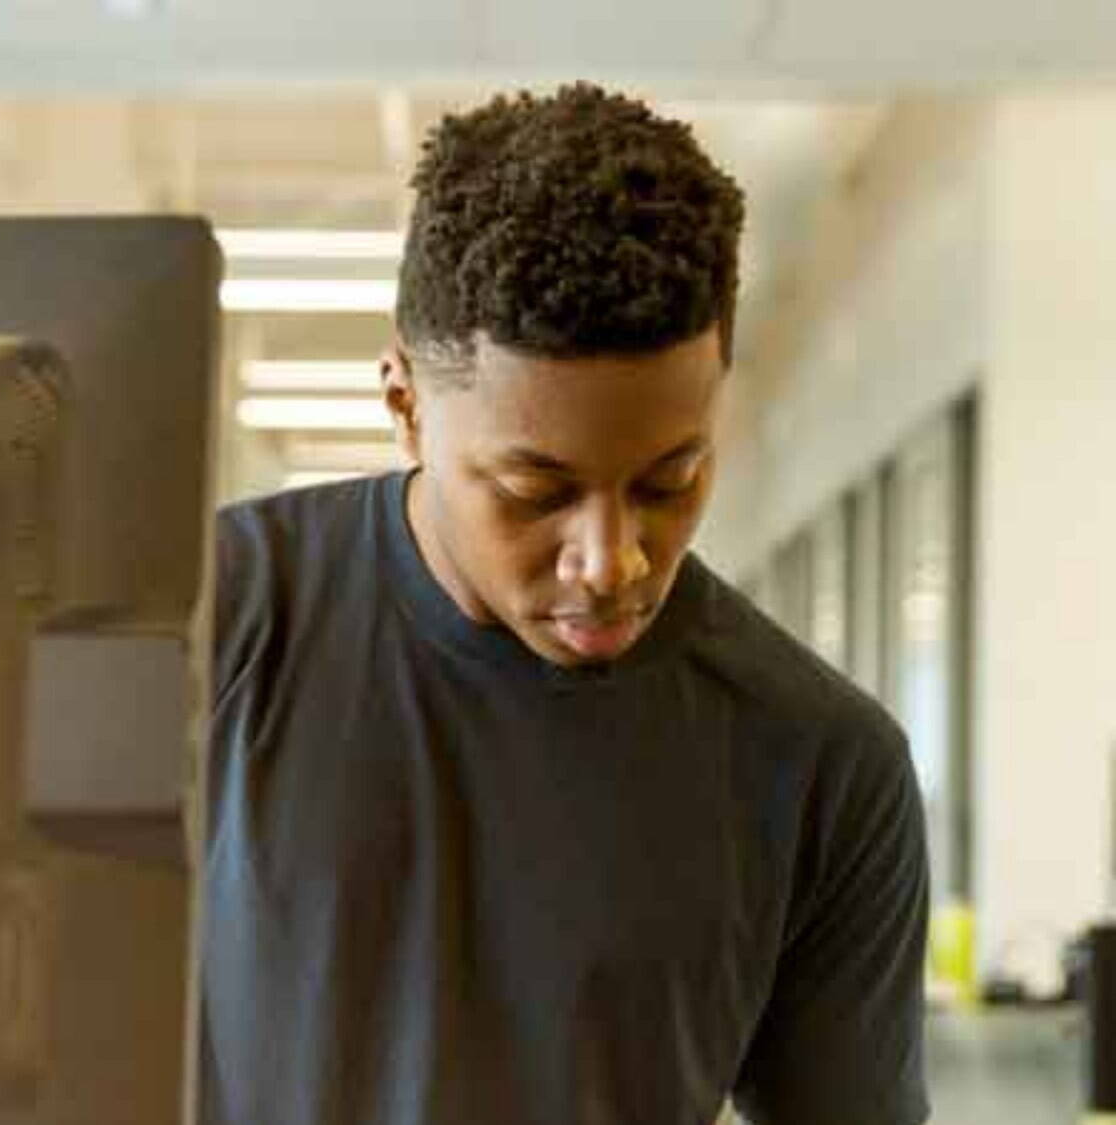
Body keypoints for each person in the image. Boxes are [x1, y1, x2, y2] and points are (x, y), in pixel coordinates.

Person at [201, 83, 929, 1125]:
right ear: (405, 404)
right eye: (537, 494)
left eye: (669, 482)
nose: (611, 560)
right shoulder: (207, 627)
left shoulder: (821, 763)